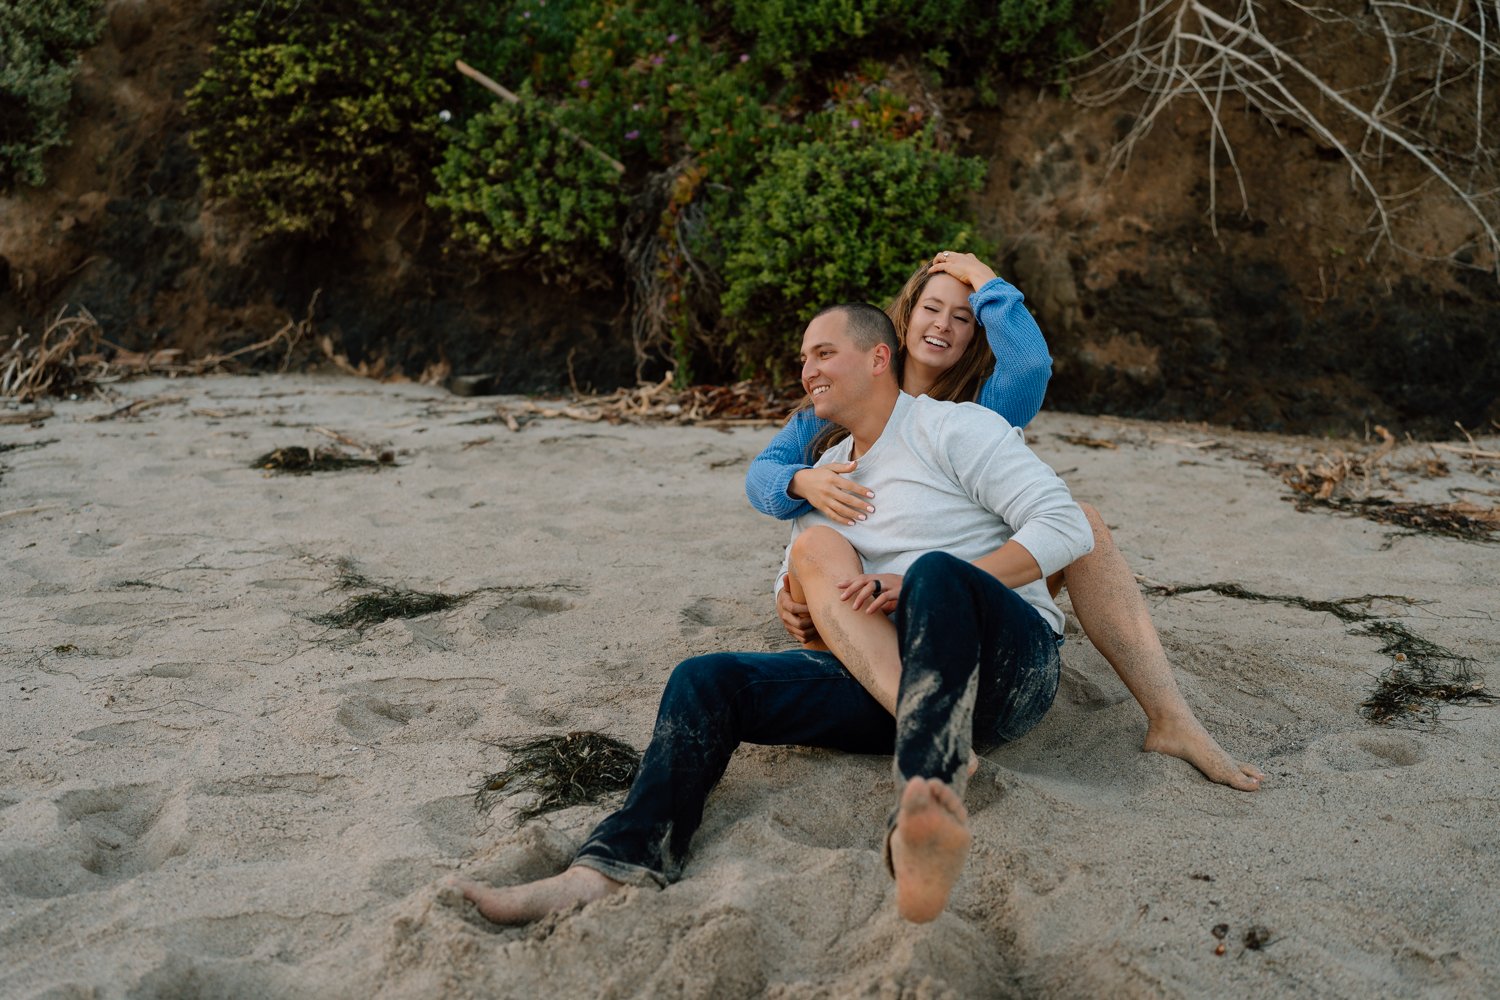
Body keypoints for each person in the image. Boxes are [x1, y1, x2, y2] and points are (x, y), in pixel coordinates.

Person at [451, 303, 1096, 926]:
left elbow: (1066, 526)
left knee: (932, 574)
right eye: (802, 359)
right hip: (896, 676)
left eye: (823, 353)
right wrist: (794, 607)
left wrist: (918, 584)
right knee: (706, 680)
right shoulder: (823, 472)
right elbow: (801, 576)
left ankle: (928, 783)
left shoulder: (953, 427)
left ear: (878, 357)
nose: (807, 370)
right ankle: (615, 865)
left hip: (1005, 667)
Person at [746, 251, 1263, 792]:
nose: (943, 325)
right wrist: (800, 485)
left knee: (1082, 524)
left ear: (976, 335)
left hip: (961, 582)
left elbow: (1032, 366)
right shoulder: (839, 408)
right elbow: (762, 476)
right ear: (902, 319)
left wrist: (986, 279)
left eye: (963, 317)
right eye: (931, 308)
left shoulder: (983, 407)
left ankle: (1171, 717)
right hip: (872, 592)